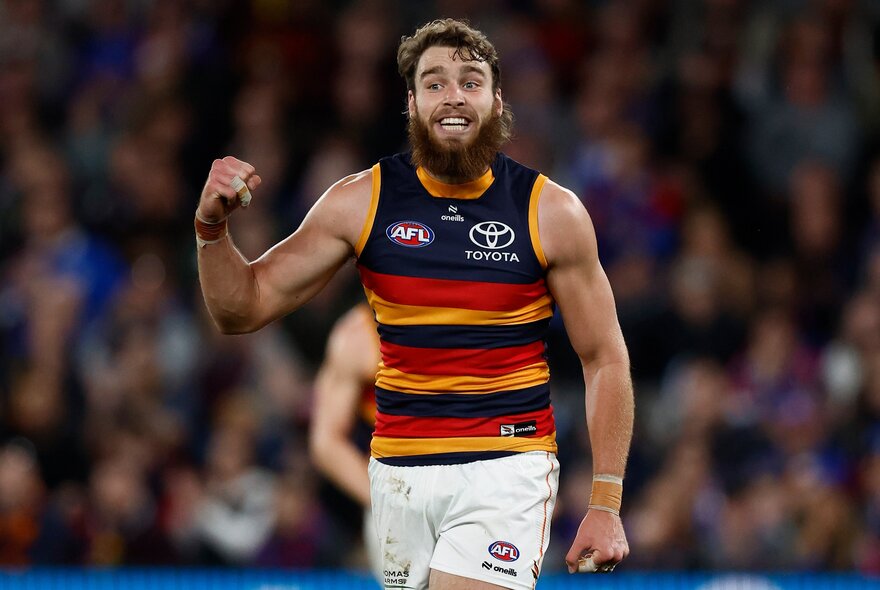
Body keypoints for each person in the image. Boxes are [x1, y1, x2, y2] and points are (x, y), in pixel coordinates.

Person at [195, 18, 634, 590]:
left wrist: (605, 501)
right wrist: (211, 228)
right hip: (397, 475)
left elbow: (605, 357)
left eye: (470, 81)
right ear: (411, 102)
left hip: (504, 465)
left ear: (498, 102)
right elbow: (241, 308)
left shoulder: (551, 212)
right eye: (434, 82)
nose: (452, 95)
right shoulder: (360, 202)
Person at [308, 303, 383, 578]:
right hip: (393, 494)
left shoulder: (483, 318)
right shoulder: (358, 336)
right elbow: (326, 442)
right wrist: (387, 499)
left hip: (471, 487)